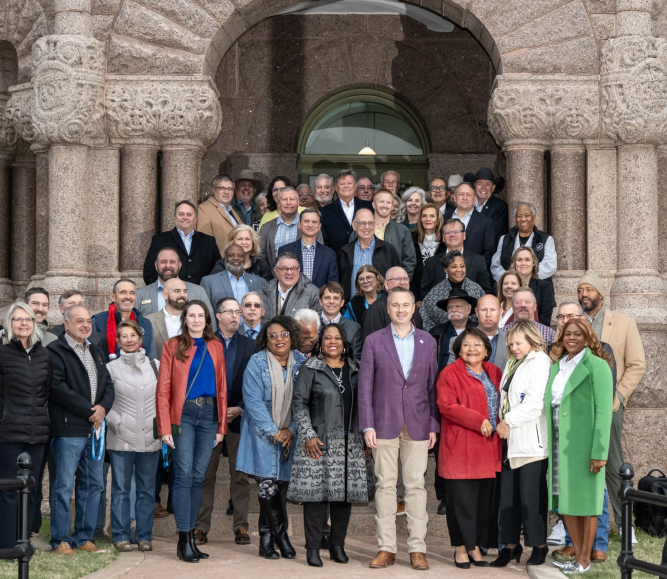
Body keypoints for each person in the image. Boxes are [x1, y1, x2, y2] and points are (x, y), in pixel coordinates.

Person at [359, 287, 439, 571]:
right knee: (385, 485)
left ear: (413, 308)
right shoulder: (373, 341)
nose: (401, 310)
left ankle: (418, 549)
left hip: (418, 423)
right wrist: (367, 425)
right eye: (395, 305)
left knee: (416, 486)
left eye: (406, 305)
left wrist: (433, 424)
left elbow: (432, 388)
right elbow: (365, 386)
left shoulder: (428, 341)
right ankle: (386, 548)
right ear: (388, 309)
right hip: (382, 423)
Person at [288, 323, 371, 567]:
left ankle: (337, 546)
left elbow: (366, 403)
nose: (332, 342)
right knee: (316, 499)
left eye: (337, 338)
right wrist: (308, 435)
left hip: (351, 443)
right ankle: (313, 549)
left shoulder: (355, 369)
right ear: (320, 343)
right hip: (319, 442)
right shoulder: (309, 368)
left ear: (345, 343)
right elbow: (299, 404)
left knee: (343, 499)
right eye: (327, 338)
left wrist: (365, 436)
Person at [155, 300, 228, 562]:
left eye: (201, 315)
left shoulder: (216, 346)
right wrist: (164, 426)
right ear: (184, 319)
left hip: (209, 415)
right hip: (183, 415)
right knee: (184, 475)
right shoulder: (172, 346)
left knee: (199, 476)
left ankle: (191, 538)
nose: (196, 320)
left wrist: (221, 426)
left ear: (207, 320)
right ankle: (183, 538)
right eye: (191, 315)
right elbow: (163, 388)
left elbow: (222, 388)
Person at [577, 271, 645, 540]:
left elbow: (637, 364)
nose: (584, 294)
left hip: (611, 404)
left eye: (589, 290)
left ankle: (624, 522)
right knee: (581, 463)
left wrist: (619, 394)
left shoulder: (624, 323)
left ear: (601, 294)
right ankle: (581, 524)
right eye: (580, 290)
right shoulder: (574, 322)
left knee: (614, 462)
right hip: (580, 405)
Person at [550, 300, 617, 563]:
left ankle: (585, 559)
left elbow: (603, 412)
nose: (572, 338)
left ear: (588, 337)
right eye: (568, 334)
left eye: (578, 334)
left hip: (585, 444)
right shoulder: (557, 365)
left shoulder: (598, 365)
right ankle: (578, 553)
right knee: (566, 501)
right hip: (560, 444)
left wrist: (599, 451)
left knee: (588, 503)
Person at [236, 316, 306, 560]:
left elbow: (306, 402)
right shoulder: (256, 363)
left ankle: (266, 538)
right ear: (265, 339)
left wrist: (292, 429)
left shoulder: (303, 363)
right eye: (273, 335)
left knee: (280, 489)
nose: (279, 339)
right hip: (261, 434)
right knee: (267, 486)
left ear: (292, 336)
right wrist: (274, 431)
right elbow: (252, 401)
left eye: (284, 334)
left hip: (290, 435)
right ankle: (281, 537)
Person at [48, 305, 115, 554]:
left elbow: (108, 385)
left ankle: (83, 537)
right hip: (68, 430)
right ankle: (60, 540)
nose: (86, 325)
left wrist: (103, 409)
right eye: (79, 321)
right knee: (63, 486)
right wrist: (90, 410)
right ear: (66, 324)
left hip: (94, 430)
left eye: (88, 321)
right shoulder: (55, 351)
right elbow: (57, 388)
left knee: (93, 484)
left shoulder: (96, 350)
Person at [436, 327, 502, 569]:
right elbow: (447, 406)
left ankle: (475, 547)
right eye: (466, 345)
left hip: (489, 448)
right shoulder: (449, 373)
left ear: (486, 350)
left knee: (482, 502)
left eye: (477, 345)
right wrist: (478, 420)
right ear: (458, 350)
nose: (472, 349)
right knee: (460, 503)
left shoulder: (495, 371)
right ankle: (460, 549)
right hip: (460, 447)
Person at [195, 298, 256, 546]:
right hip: (209, 418)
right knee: (205, 475)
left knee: (240, 475)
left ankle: (241, 526)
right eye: (229, 311)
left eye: (237, 312)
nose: (235, 316)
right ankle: (200, 528)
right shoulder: (205, 344)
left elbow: (255, 383)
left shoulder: (250, 345)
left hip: (238, 419)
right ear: (217, 316)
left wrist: (240, 407)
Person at [492, 321, 551, 567]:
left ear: (532, 340)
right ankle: (509, 546)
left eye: (519, 343)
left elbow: (534, 403)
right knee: (508, 497)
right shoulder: (513, 362)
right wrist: (501, 420)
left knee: (531, 498)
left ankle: (539, 545)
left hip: (531, 442)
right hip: (510, 441)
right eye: (511, 343)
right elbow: (506, 397)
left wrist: (507, 421)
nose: (514, 347)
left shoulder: (539, 362)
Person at [0, 302, 52, 551]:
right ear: (9, 324)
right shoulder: (2, 353)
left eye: (28, 319)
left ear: (34, 323)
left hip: (37, 433)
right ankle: (8, 544)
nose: (23, 323)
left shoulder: (44, 354)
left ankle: (24, 542)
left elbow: (47, 390)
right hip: (8, 433)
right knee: (10, 489)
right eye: (18, 319)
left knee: (30, 490)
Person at [106, 319, 160, 552]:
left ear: (141, 339)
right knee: (120, 489)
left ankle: (144, 535)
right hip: (121, 438)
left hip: (151, 437)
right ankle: (120, 535)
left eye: (133, 335)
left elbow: (164, 398)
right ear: (118, 341)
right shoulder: (110, 368)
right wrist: (117, 423)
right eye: (124, 336)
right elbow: (102, 400)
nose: (129, 340)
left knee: (147, 490)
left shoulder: (156, 365)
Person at [143, 200, 222, 285]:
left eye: (189, 214)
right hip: (170, 294)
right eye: (181, 214)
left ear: (195, 218)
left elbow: (218, 269)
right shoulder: (159, 240)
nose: (185, 217)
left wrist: (208, 288)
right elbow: (149, 272)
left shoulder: (209, 241)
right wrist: (164, 290)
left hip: (201, 294)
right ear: (175, 217)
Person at [339, 208, 400, 302]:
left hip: (381, 307)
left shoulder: (388, 249)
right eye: (362, 223)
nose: (367, 227)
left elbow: (396, 280)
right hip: (352, 308)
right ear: (354, 226)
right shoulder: (344, 251)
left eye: (370, 223)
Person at [420, 218, 493, 297]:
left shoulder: (478, 261)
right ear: (443, 237)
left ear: (464, 235)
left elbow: (485, 291)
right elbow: (425, 291)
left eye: (456, 232)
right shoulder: (431, 262)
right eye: (448, 232)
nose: (452, 235)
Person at [136, 247, 214, 319]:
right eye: (163, 262)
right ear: (156, 265)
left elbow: (210, 323)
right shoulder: (140, 295)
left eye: (172, 262)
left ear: (179, 265)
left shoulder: (198, 291)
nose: (168, 265)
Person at [420, 251, 486, 332]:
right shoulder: (435, 291)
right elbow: (425, 315)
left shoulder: (476, 289)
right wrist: (437, 335)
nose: (459, 270)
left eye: (462, 266)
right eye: (454, 267)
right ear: (446, 270)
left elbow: (485, 313)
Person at [491, 201, 557, 283]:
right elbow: (496, 266)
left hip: (538, 286)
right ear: (515, 219)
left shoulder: (546, 239)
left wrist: (526, 278)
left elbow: (550, 266)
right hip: (511, 286)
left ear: (534, 217)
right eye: (519, 216)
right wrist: (512, 279)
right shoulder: (504, 239)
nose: (523, 219)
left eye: (527, 215)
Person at [92, 279, 157, 360]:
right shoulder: (97, 322)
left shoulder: (145, 323)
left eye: (132, 293)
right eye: (123, 292)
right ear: (113, 296)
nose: (128, 297)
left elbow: (152, 357)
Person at [260, 188, 325, 269]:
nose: (288, 202)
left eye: (292, 199)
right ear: (279, 203)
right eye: (284, 199)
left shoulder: (311, 227)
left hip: (305, 279)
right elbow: (261, 257)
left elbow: (320, 254)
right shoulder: (266, 228)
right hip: (275, 278)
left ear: (298, 202)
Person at [359, 189, 416, 280]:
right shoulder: (361, 230)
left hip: (393, 285)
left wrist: (401, 283)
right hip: (366, 284)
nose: (385, 205)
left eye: (388, 202)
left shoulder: (403, 231)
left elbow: (409, 261)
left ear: (392, 206)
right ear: (374, 205)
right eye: (381, 202)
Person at [277, 207, 338, 288]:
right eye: (306, 221)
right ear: (299, 224)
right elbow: (280, 280)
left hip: (319, 299)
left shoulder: (329, 254)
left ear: (319, 226)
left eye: (314, 222)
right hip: (291, 299)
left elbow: (332, 285)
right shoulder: (285, 250)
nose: (310, 225)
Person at [361, 267, 424, 340]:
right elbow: (371, 344)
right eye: (397, 279)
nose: (403, 282)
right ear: (386, 284)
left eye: (405, 279)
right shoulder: (376, 309)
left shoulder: (412, 307)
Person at [321, 169, 373, 254]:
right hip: (337, 261)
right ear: (336, 188)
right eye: (342, 184)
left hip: (364, 258)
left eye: (349, 183)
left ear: (355, 186)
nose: (346, 186)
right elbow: (324, 241)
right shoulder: (325, 211)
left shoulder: (369, 207)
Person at [443, 183, 496, 267]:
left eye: (468, 195)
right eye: (461, 194)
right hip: (446, 270)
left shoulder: (486, 222)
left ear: (475, 199)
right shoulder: (443, 219)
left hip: (475, 274)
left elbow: (489, 252)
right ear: (455, 198)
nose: (465, 198)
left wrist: (476, 271)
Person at [258, 252, 322, 321]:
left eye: (293, 269)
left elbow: (318, 325)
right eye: (284, 268)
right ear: (276, 271)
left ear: (299, 270)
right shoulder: (263, 293)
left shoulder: (313, 293)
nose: (289, 273)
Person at [200, 244, 266, 309]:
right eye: (231, 255)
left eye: (240, 256)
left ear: (244, 259)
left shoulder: (260, 282)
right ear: (225, 259)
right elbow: (206, 311)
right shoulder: (209, 282)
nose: (236, 258)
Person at [47, 290, 109, 356]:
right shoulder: (51, 336)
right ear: (61, 308)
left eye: (80, 304)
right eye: (71, 304)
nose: (77, 307)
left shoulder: (99, 339)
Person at [429, 288, 478, 370]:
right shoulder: (436, 333)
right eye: (450, 307)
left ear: (469, 309)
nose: (453, 310)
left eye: (458, 306)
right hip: (444, 380)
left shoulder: (478, 331)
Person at [197, 174, 244, 255]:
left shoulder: (232, 211)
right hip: (220, 264)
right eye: (222, 188)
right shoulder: (203, 209)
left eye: (230, 189)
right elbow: (204, 244)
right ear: (213, 190)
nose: (226, 192)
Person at [510, 246, 556, 327]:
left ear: (534, 263)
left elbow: (545, 318)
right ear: (514, 263)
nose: (523, 263)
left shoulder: (544, 287)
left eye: (527, 260)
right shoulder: (508, 286)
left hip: (536, 333)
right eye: (519, 260)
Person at [209, 224, 274, 281]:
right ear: (232, 242)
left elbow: (269, 289)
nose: (244, 242)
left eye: (247, 239)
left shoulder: (261, 265)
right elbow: (213, 284)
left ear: (253, 242)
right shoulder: (222, 264)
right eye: (239, 239)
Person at [145, 278, 188, 360]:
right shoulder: (149, 321)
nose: (182, 295)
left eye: (185, 291)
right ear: (165, 295)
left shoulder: (194, 321)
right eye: (177, 291)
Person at [319, 282, 362, 361]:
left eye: (336, 298)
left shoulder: (354, 328)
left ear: (342, 302)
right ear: (320, 301)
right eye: (327, 298)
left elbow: (356, 360)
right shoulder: (310, 325)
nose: (331, 301)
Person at [468, 167, 509, 246]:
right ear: (474, 186)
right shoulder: (467, 204)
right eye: (480, 183)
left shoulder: (500, 206)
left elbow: (497, 234)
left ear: (493, 188)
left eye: (487, 184)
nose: (483, 187)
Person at [476, 294, 502, 367]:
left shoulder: (511, 340)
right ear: (477, 312)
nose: (488, 314)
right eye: (484, 310)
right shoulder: (460, 340)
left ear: (500, 311)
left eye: (492, 310)